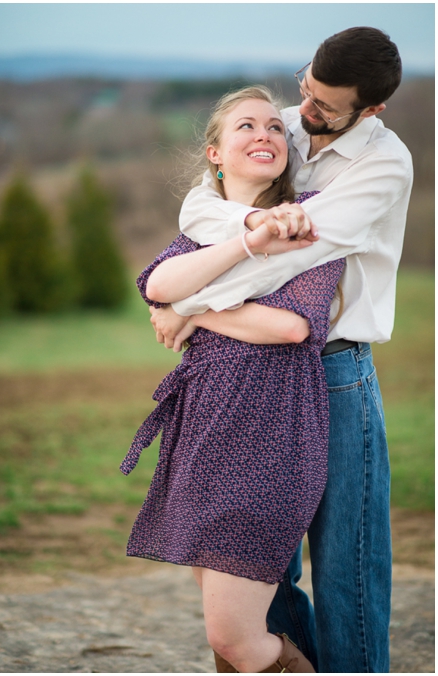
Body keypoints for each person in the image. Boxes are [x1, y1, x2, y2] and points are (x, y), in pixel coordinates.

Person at [152, 28, 411, 673]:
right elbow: (203, 206)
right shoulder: (284, 126)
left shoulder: (384, 164)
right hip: (244, 376)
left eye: (325, 105)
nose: (305, 111)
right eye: (306, 88)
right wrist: (249, 229)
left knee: (347, 564)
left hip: (333, 368)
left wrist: (192, 304)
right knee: (264, 569)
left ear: (370, 109)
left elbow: (302, 250)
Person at [121, 85, 344, 673]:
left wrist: (194, 311)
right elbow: (158, 287)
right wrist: (241, 246)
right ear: (215, 153)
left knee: (235, 636)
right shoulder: (200, 224)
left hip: (270, 431)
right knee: (226, 637)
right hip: (204, 432)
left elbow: (291, 325)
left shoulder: (310, 216)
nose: (264, 135)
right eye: (246, 126)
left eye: (275, 127)